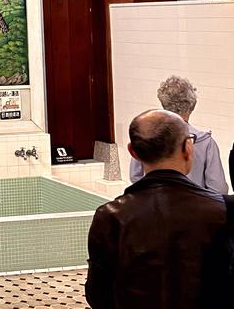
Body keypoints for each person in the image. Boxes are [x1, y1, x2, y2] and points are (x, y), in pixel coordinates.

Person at [86, 109, 232, 308]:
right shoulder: (223, 210)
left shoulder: (110, 217)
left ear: (133, 152)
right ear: (188, 148)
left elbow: (98, 295)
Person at [129, 75, 226, 193]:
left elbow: (135, 176)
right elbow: (218, 188)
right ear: (192, 106)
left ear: (164, 104)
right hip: (195, 208)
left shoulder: (149, 136)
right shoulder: (205, 143)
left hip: (154, 205)